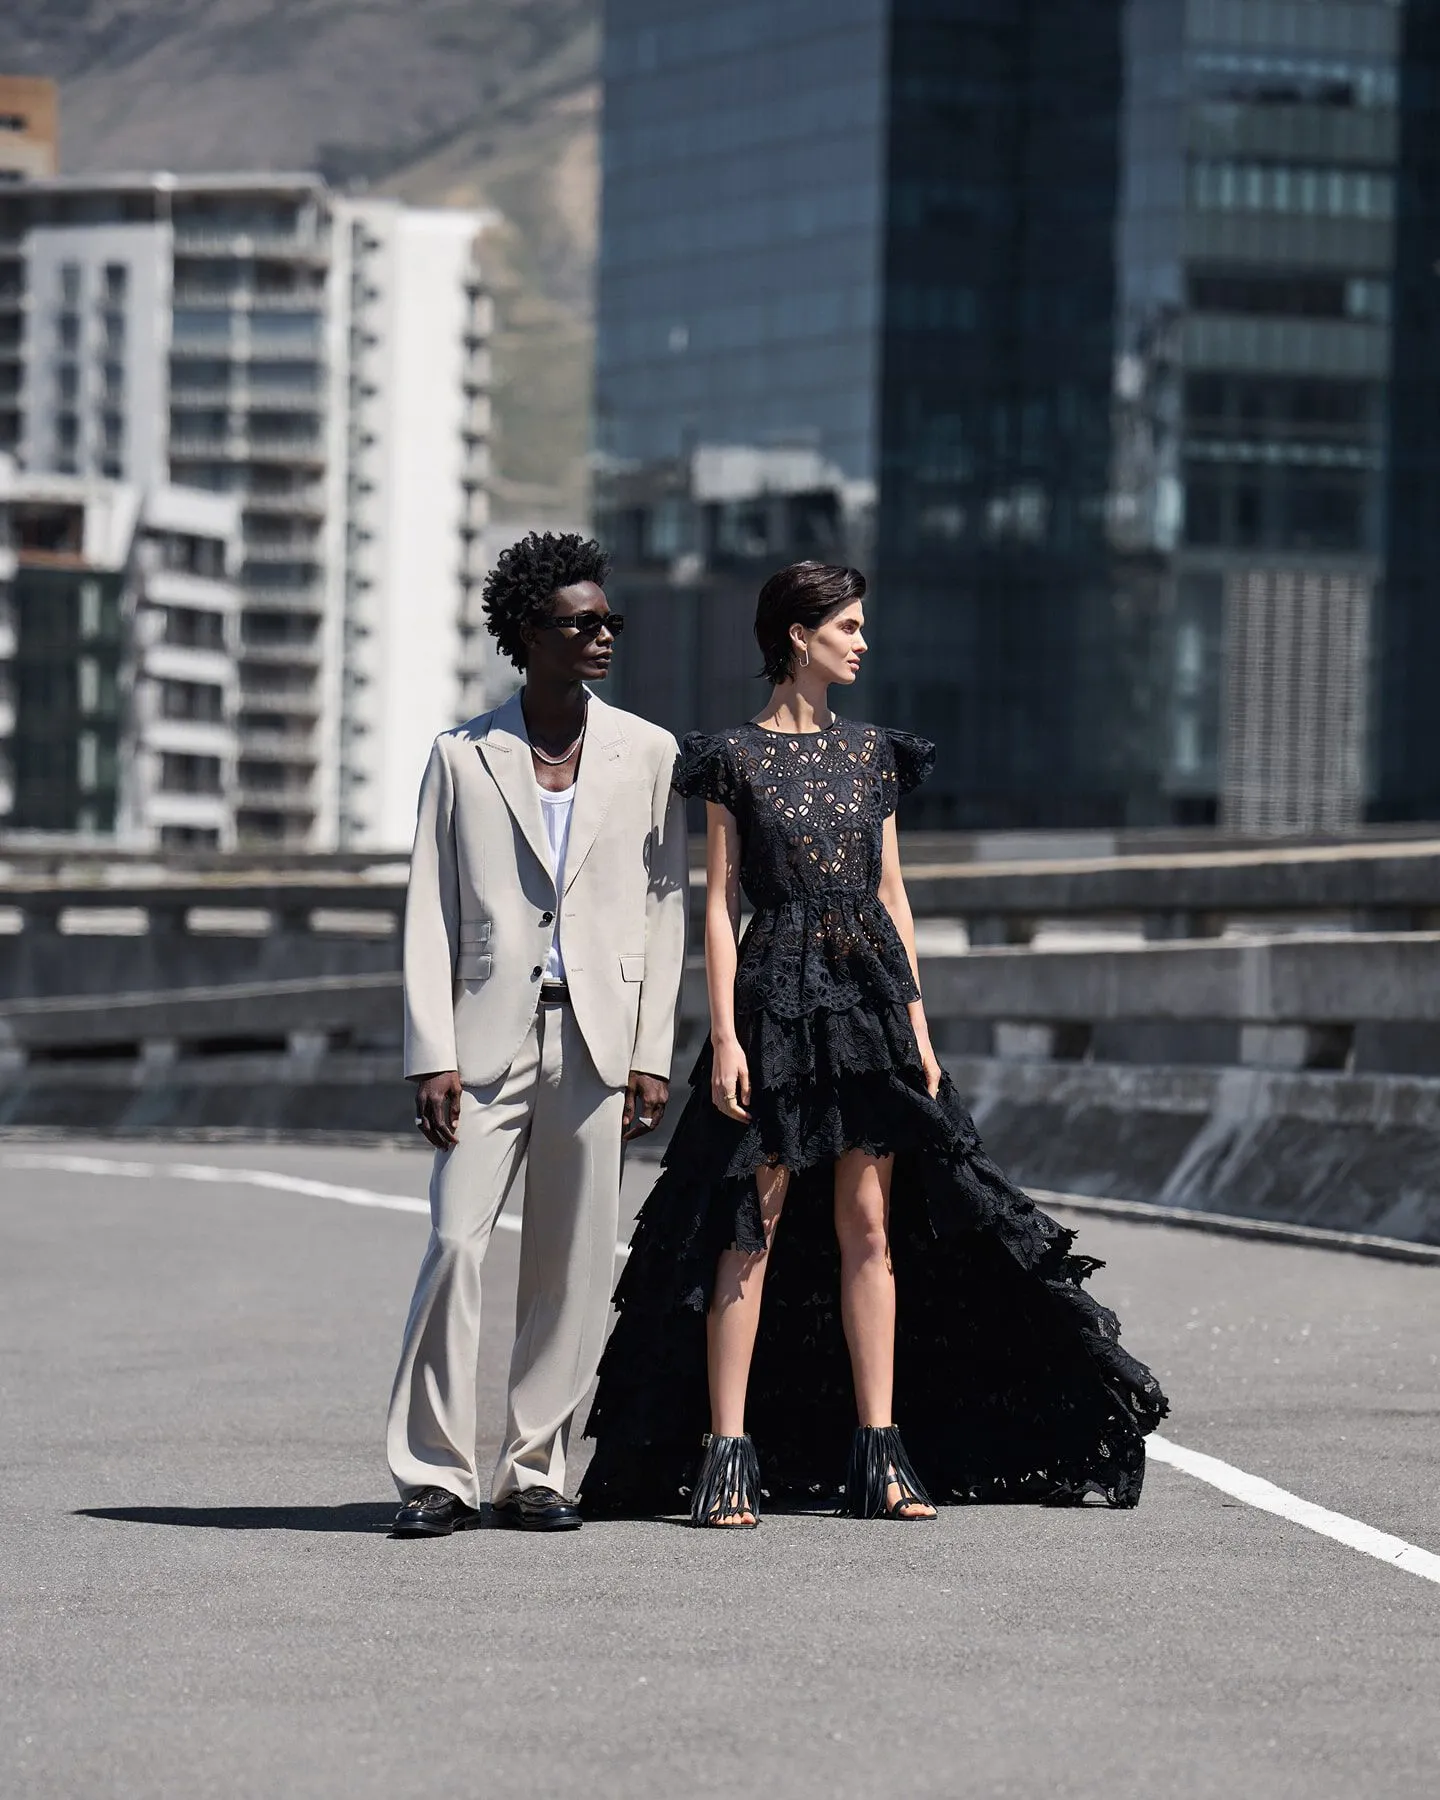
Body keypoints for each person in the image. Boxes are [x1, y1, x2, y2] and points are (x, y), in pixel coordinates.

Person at [581, 560, 1168, 1527]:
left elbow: (894, 896)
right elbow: (719, 906)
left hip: (868, 1009)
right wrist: (723, 1036)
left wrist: (920, 1032)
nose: (863, 642)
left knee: (870, 1227)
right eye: (847, 626)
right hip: (773, 1003)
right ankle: (727, 1455)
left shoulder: (875, 756)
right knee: (748, 1226)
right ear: (798, 636)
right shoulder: (732, 756)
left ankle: (881, 1453)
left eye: (862, 625)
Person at [386, 531, 688, 1536]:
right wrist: (431, 1052)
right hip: (484, 1046)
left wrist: (651, 1053)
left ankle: (537, 1470)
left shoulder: (648, 754)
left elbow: (665, 908)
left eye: (609, 621)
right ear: (529, 634)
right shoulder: (462, 757)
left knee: (572, 1263)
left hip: (598, 1043)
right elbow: (429, 909)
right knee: (453, 1244)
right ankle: (436, 1472)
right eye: (582, 623)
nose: (605, 635)